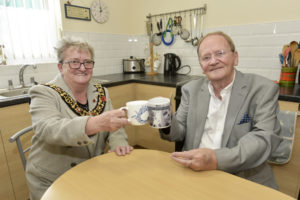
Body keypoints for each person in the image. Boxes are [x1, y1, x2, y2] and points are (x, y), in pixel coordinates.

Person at [160, 31, 282, 189]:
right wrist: (165, 120)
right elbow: (180, 130)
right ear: (202, 66)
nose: (213, 61)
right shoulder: (190, 89)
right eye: (206, 57)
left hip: (243, 179)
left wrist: (216, 159)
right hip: (195, 173)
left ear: (235, 57)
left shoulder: (263, 90)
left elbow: (263, 139)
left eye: (220, 53)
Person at [26, 36, 133, 200]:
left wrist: (119, 143)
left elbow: (114, 126)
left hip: (90, 172)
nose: (82, 67)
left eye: (88, 62)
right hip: (52, 180)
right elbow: (49, 129)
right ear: (61, 67)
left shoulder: (101, 92)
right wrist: (95, 123)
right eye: (74, 62)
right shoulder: (43, 92)